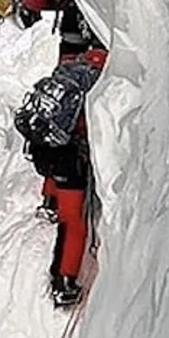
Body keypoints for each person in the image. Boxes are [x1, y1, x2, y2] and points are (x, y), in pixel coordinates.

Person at [14, 45, 107, 307]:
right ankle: (64, 280)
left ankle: (48, 201)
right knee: (74, 222)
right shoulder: (97, 83)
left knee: (65, 210)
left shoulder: (70, 68)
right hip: (69, 157)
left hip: (45, 147)